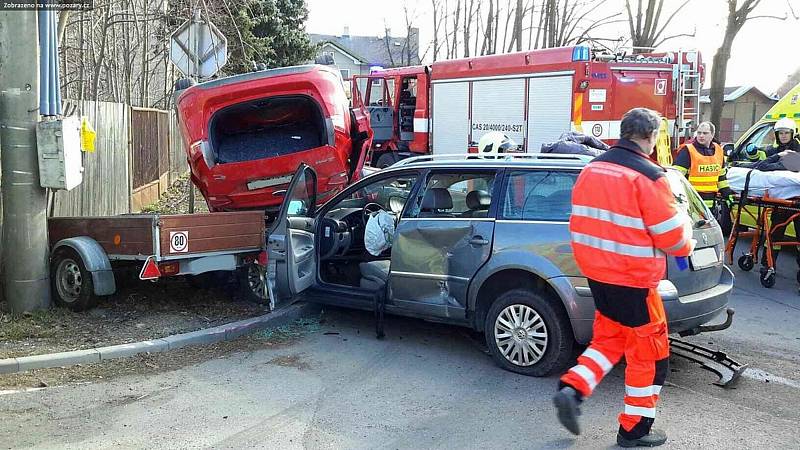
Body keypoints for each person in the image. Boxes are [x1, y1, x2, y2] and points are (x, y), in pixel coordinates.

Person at [553, 108, 695, 448]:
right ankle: (634, 430)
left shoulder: (592, 169)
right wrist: (686, 227)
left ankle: (572, 388)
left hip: (599, 278)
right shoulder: (650, 177)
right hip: (636, 284)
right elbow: (675, 240)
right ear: (650, 137)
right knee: (651, 358)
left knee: (608, 341)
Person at [672, 121, 734, 209]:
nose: (701, 136)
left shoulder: (719, 151)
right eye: (699, 133)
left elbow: (721, 177)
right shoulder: (688, 151)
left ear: (712, 135)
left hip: (710, 204)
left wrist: (727, 194)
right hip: (691, 203)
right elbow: (676, 176)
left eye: (705, 133)